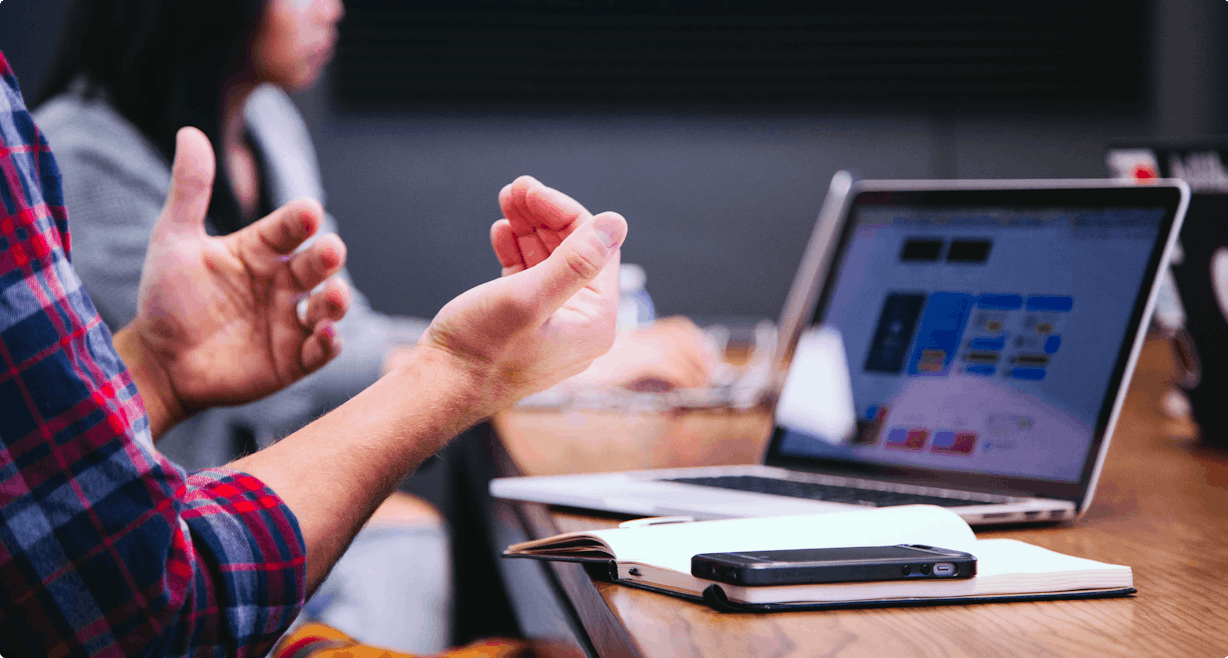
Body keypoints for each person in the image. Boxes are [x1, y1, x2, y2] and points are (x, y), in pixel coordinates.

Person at [33, 0, 712, 647]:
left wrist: (517, 352)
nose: (333, 8)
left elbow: (331, 336)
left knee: (418, 544)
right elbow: (308, 374)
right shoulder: (80, 155)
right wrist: (512, 362)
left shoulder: (266, 120)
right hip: (159, 551)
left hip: (239, 503)